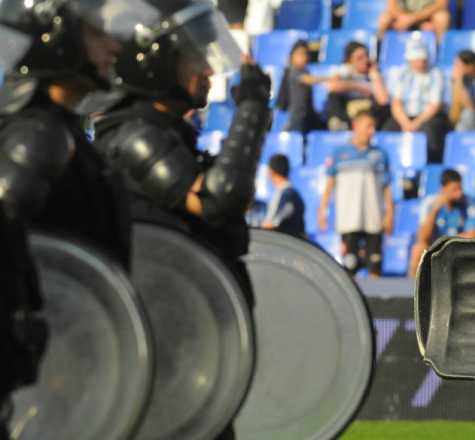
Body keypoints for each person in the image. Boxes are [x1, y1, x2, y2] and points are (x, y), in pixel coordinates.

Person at [92, 5, 271, 437]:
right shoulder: (135, 135)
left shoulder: (168, 133)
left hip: (191, 336)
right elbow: (216, 200)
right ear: (156, 67)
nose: (209, 70)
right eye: (194, 59)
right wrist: (250, 110)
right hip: (162, 341)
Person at [0, 0, 155, 435]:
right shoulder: (36, 135)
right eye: (95, 33)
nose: (113, 45)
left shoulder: (62, 131)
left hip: (76, 364)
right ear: (53, 35)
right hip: (46, 378)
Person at [318, 111, 395, 277]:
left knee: (375, 266)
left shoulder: (379, 155)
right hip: (349, 218)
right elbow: (330, 184)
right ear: (356, 126)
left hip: (373, 218)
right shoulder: (339, 153)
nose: (371, 131)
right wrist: (322, 210)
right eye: (368, 126)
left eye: (373, 127)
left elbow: (387, 187)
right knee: (349, 267)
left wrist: (389, 213)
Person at [383, 39, 448, 163]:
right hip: (405, 117)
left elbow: (435, 105)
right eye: (417, 59)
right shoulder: (402, 73)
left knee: (430, 130)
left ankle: (430, 163)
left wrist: (416, 123)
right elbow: (396, 103)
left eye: (423, 59)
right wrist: (405, 123)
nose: (420, 63)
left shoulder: (436, 73)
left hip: (426, 117)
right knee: (388, 128)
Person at [408, 168, 475, 276]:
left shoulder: (468, 203)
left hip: (458, 246)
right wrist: (435, 210)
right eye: (454, 190)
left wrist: (445, 242)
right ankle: (413, 290)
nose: (459, 194)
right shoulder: (429, 203)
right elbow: (422, 238)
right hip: (434, 247)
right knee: (418, 249)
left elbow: (472, 234)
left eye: (460, 188)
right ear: (443, 189)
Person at [324, 41, 389, 131]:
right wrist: (358, 86)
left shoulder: (374, 74)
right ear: (350, 60)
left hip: (368, 111)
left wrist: (374, 74)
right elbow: (332, 86)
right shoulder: (344, 71)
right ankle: (340, 125)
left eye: (366, 56)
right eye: (359, 58)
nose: (365, 60)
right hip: (347, 112)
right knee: (333, 97)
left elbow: (383, 100)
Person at [276, 40, 327, 134]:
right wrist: (328, 78)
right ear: (292, 56)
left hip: (308, 116)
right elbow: (309, 80)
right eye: (300, 54)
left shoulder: (306, 71)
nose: (303, 57)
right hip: (297, 117)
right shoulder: (293, 71)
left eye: (305, 54)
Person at [261, 154, 306, 239]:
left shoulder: (288, 194)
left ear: (271, 172)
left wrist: (269, 225)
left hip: (287, 243)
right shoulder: (286, 192)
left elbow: (285, 212)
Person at [376, 0, 450, 40]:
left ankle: (440, 54)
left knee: (442, 18)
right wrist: (402, 19)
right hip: (402, 18)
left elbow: (442, 4)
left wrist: (413, 19)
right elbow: (392, 7)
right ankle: (379, 53)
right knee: (384, 19)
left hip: (427, 18)